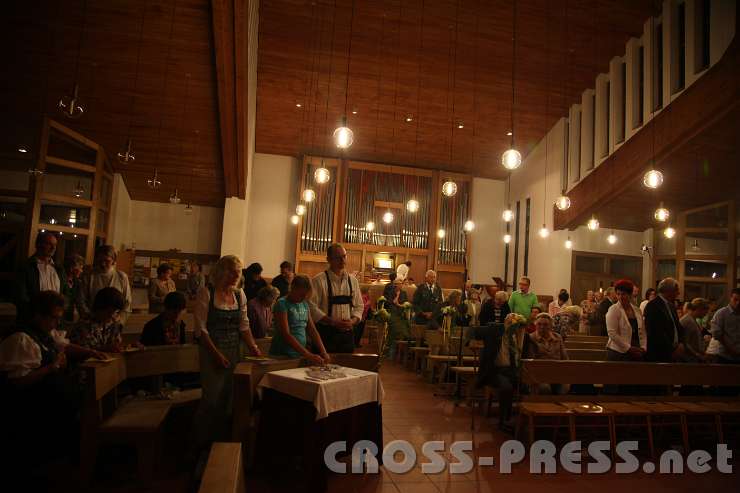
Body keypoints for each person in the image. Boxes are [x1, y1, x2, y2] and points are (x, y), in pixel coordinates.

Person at [0, 291, 102, 486]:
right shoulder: (21, 338)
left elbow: (64, 346)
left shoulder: (45, 333)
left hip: (52, 399)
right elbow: (18, 382)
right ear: (38, 315)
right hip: (30, 405)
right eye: (54, 318)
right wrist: (52, 367)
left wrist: (92, 352)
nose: (57, 323)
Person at [194, 255, 261, 446]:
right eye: (231, 272)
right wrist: (216, 354)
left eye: (238, 273)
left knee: (231, 399)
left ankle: (224, 444)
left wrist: (254, 347)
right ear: (221, 272)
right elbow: (201, 329)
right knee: (212, 400)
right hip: (211, 351)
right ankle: (201, 445)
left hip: (235, 351)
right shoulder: (206, 293)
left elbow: (244, 326)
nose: (235, 276)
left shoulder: (240, 295)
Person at [474, 313, 530, 432]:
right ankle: (503, 420)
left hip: (513, 370)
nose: (513, 327)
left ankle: (524, 420)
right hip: (496, 371)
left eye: (516, 325)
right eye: (510, 323)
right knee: (506, 387)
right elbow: (474, 332)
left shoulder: (521, 336)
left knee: (527, 387)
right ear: (505, 323)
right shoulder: (494, 332)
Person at [310, 243, 364, 354]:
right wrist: (332, 321)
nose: (342, 260)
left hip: (347, 335)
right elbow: (311, 307)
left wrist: (352, 321)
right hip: (325, 334)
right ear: (328, 260)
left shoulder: (353, 281)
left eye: (344, 256)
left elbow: (359, 306)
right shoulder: (318, 280)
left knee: (346, 364)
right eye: (338, 257)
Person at [269, 275, 330, 364]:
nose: (304, 298)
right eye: (302, 295)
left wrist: (323, 351)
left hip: (299, 353)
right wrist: (308, 355)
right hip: (282, 354)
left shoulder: (304, 304)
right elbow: (286, 334)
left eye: (306, 296)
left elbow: (312, 330)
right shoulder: (282, 303)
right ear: (293, 288)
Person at [15, 231, 65, 325]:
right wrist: (35, 315)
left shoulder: (59, 269)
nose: (53, 248)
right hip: (32, 321)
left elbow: (65, 293)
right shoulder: (26, 267)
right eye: (49, 244)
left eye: (55, 245)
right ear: (38, 244)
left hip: (55, 322)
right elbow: (20, 296)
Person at [80, 245, 132, 325]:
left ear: (113, 261)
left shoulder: (121, 277)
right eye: (100, 260)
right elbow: (81, 300)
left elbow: (127, 303)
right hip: (92, 322)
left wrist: (119, 318)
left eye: (107, 261)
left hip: (114, 323)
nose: (103, 264)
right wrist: (92, 316)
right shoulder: (89, 276)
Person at [69, 287, 126, 352]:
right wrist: (106, 349)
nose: (114, 317)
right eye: (110, 312)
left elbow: (117, 345)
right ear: (101, 308)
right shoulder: (83, 326)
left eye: (117, 312)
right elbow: (84, 352)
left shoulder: (113, 325)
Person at [644, 278, 685, 362]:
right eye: (676, 290)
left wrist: (681, 343)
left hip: (674, 352)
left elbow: (678, 327)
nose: (678, 293)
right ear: (668, 291)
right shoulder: (653, 305)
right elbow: (656, 332)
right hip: (660, 354)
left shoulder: (671, 306)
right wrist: (671, 350)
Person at [527, 313, 569, 394]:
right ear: (535, 325)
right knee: (545, 388)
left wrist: (566, 374)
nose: (542, 327)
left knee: (564, 388)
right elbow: (530, 361)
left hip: (557, 372)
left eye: (545, 324)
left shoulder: (557, 337)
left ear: (551, 326)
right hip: (539, 374)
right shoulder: (531, 338)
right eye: (539, 324)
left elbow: (564, 357)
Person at [605, 279, 646, 361]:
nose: (620, 297)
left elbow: (643, 330)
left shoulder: (637, 310)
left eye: (623, 294)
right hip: (618, 352)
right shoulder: (613, 309)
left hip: (636, 349)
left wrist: (643, 347)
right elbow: (612, 333)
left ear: (630, 294)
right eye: (618, 294)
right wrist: (629, 348)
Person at [679, 298, 710, 363]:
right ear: (699, 309)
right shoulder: (687, 321)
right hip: (688, 361)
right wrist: (697, 355)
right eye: (706, 311)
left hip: (693, 359)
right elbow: (685, 342)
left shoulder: (692, 320)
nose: (706, 314)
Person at [62, 254, 85, 322]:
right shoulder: (60, 280)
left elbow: (80, 301)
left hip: (70, 317)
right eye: (80, 268)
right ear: (72, 268)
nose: (81, 271)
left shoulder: (77, 282)